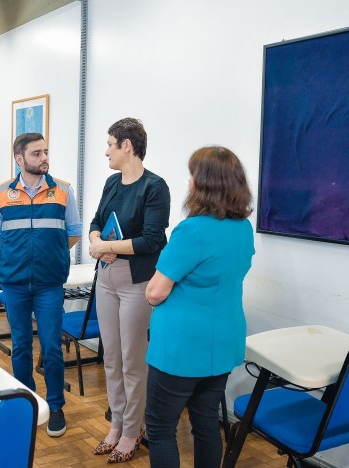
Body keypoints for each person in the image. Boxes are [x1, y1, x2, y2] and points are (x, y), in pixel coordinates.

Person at [144, 146, 255, 468]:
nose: (189, 181)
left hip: (181, 347)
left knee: (162, 428)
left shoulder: (193, 230)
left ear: (203, 183)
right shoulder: (242, 228)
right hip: (223, 342)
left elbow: (155, 292)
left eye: (192, 175)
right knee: (206, 422)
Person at [0, 132, 82, 438]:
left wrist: (50, 256)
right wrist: (17, 259)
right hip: (14, 283)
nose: (45, 158)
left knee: (52, 347)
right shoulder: (2, 192)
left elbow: (74, 232)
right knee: (21, 347)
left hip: (49, 284)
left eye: (46, 152)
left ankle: (55, 406)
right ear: (20, 159)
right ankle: (27, 402)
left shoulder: (64, 190)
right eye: (37, 153)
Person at [87, 118, 171, 463]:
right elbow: (95, 221)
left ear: (127, 146)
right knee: (111, 358)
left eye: (110, 144)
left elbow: (154, 240)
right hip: (106, 276)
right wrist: (95, 241)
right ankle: (117, 423)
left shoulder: (155, 186)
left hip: (137, 282)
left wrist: (112, 247)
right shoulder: (111, 182)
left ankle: (133, 431)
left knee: (132, 361)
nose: (106, 151)